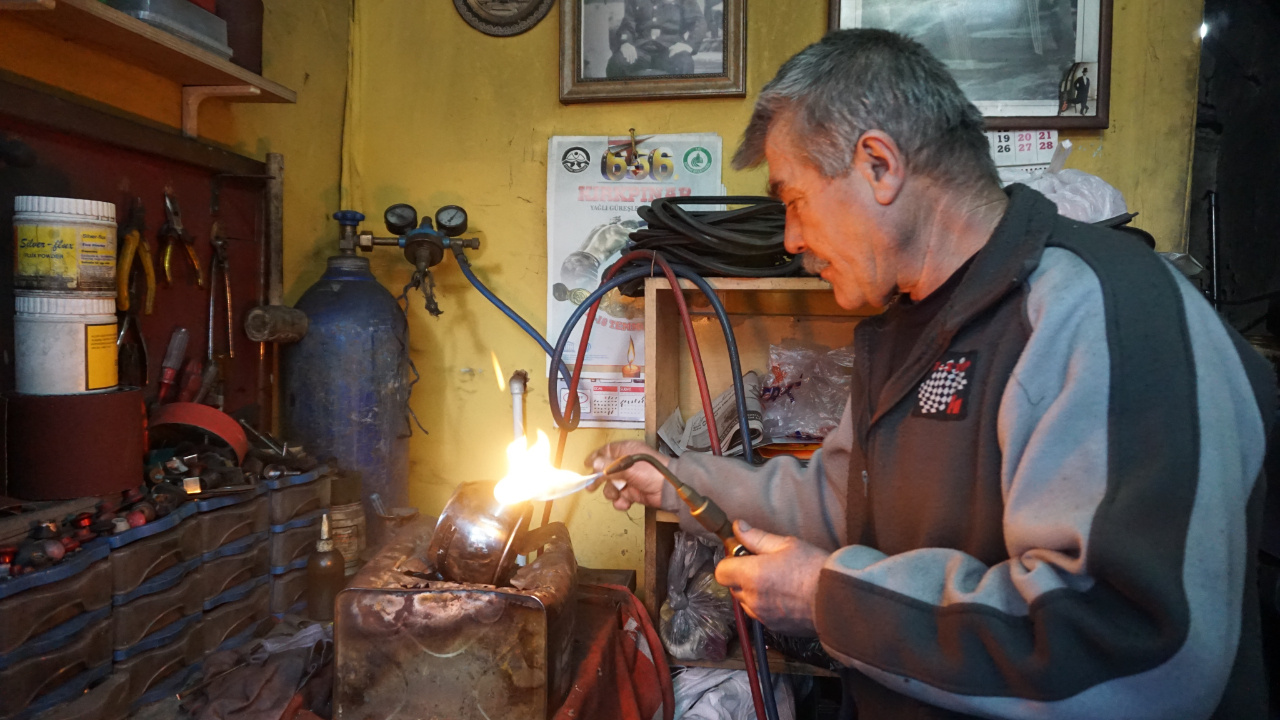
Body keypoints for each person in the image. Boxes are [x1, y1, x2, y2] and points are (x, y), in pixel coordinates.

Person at [588, 29, 1274, 719]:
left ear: (879, 165)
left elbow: (1132, 651)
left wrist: (831, 598)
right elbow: (835, 503)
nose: (791, 240)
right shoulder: (909, 330)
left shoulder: (1102, 312)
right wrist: (678, 482)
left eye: (792, 200)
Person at [606, 0, 707, 78]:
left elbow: (698, 21)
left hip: (670, 49)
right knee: (617, 62)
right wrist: (626, 43)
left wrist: (689, 45)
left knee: (684, 63)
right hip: (641, 50)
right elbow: (628, 24)